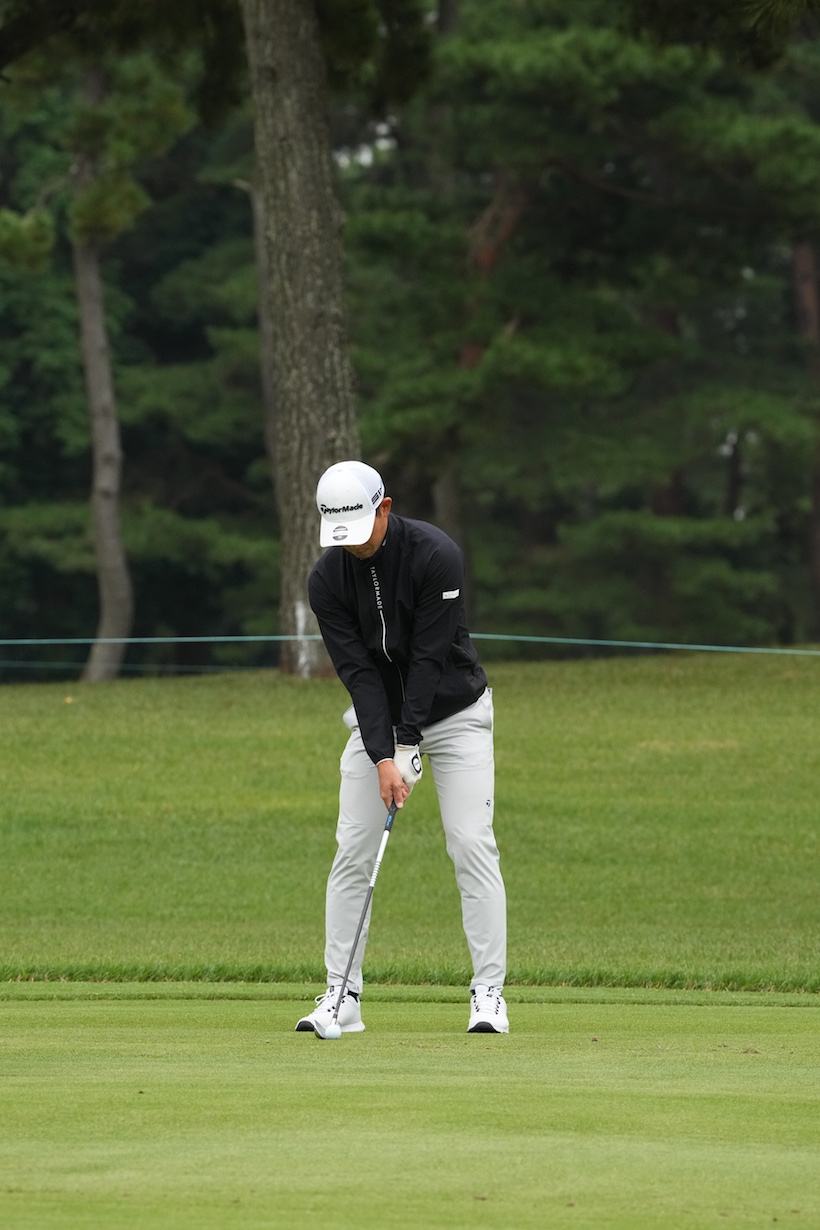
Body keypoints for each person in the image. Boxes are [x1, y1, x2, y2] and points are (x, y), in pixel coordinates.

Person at [294, 459, 509, 1036]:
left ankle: (488, 993)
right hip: (381, 724)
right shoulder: (325, 581)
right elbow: (359, 675)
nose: (354, 545)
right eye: (341, 535)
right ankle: (342, 995)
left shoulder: (436, 555)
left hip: (458, 713)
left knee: (471, 843)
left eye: (361, 530)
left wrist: (410, 740)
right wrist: (385, 755)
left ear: (384, 507)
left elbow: (429, 659)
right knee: (352, 851)